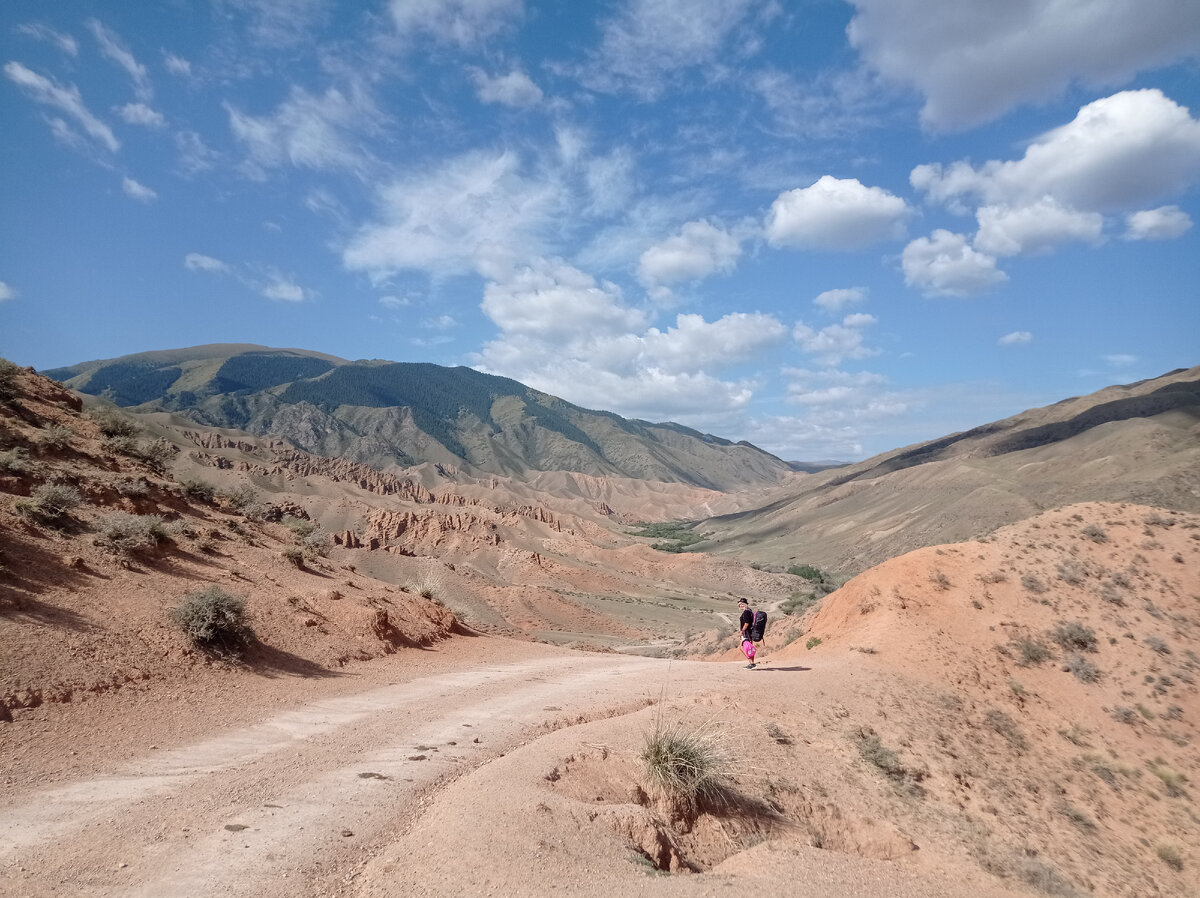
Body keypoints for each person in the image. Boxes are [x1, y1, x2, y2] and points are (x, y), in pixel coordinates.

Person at [737, 599, 756, 669]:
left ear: (746, 604)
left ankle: (751, 663)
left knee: (742, 648)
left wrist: (742, 631)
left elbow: (746, 623)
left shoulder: (746, 612)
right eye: (740, 604)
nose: (741, 605)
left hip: (746, 632)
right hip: (749, 632)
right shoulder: (749, 611)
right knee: (749, 648)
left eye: (742, 604)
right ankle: (752, 663)